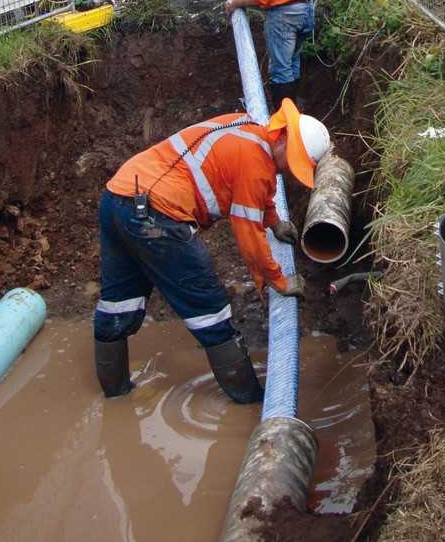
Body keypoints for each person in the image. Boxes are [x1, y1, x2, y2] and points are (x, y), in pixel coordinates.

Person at [94, 98, 330, 404]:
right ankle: (250, 400)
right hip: (158, 217)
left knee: (118, 303)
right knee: (209, 308)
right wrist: (279, 280)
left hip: (118, 198)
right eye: (293, 161)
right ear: (282, 138)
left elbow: (253, 189)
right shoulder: (255, 162)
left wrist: (273, 222)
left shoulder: (247, 129)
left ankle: (115, 395)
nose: (288, 170)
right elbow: (248, 234)